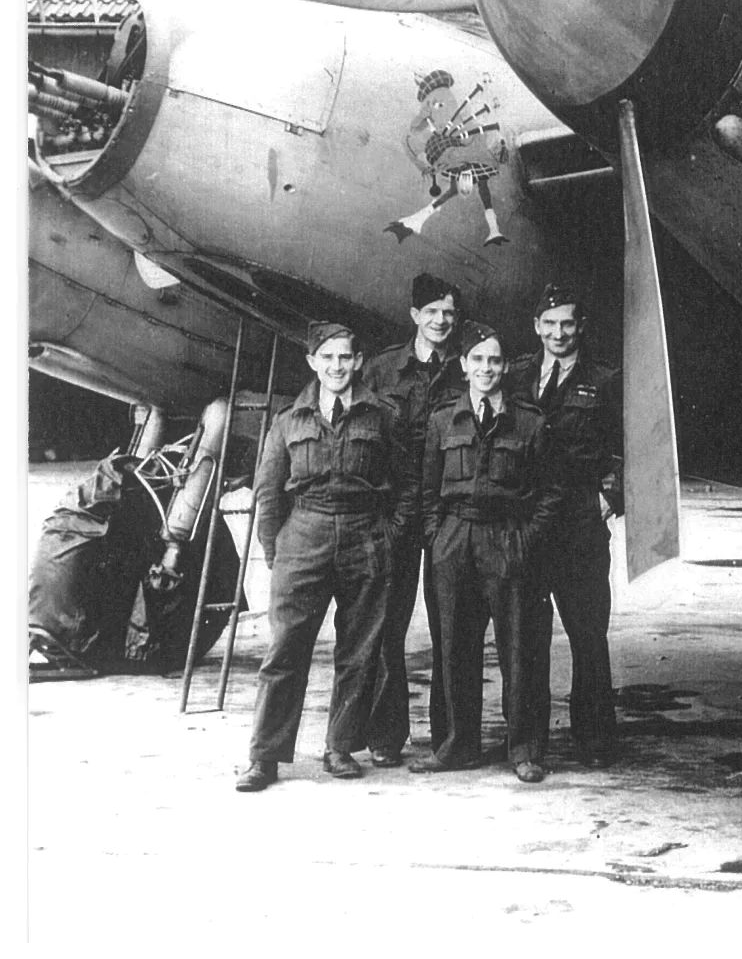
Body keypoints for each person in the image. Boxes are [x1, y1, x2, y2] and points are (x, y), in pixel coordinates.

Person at [235, 322, 413, 792]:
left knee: (358, 650)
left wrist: (389, 535)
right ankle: (265, 756)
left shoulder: (382, 416)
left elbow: (407, 485)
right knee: (285, 648)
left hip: (364, 534)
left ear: (358, 362)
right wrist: (277, 550)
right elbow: (269, 492)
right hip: (305, 534)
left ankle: (340, 747)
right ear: (313, 362)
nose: (336, 366)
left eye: (345, 358)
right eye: (327, 358)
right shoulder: (289, 421)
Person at [410, 321, 562, 782]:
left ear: (505, 367)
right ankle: (457, 745)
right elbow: (428, 489)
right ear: (463, 365)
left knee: (521, 647)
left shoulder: (530, 422)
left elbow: (550, 491)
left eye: (494, 360)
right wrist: (438, 537)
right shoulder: (443, 420)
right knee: (453, 646)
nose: (486, 369)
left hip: (508, 538)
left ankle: (525, 750)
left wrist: (526, 538)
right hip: (456, 541)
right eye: (477, 359)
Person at [510, 284, 623, 765]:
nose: (559, 333)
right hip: (532, 519)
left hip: (579, 519)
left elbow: (628, 443)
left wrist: (609, 496)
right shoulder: (515, 375)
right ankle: (529, 742)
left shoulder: (605, 379)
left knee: (588, 634)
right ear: (537, 327)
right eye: (549, 324)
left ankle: (594, 738)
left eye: (568, 324)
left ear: (581, 328)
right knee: (529, 637)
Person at [358, 273, 466, 767]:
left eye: (448, 313)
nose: (441, 321)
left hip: (446, 515)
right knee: (387, 626)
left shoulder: (469, 368)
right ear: (414, 316)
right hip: (397, 515)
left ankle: (451, 739)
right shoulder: (381, 371)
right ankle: (385, 735)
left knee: (452, 627)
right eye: (432, 312)